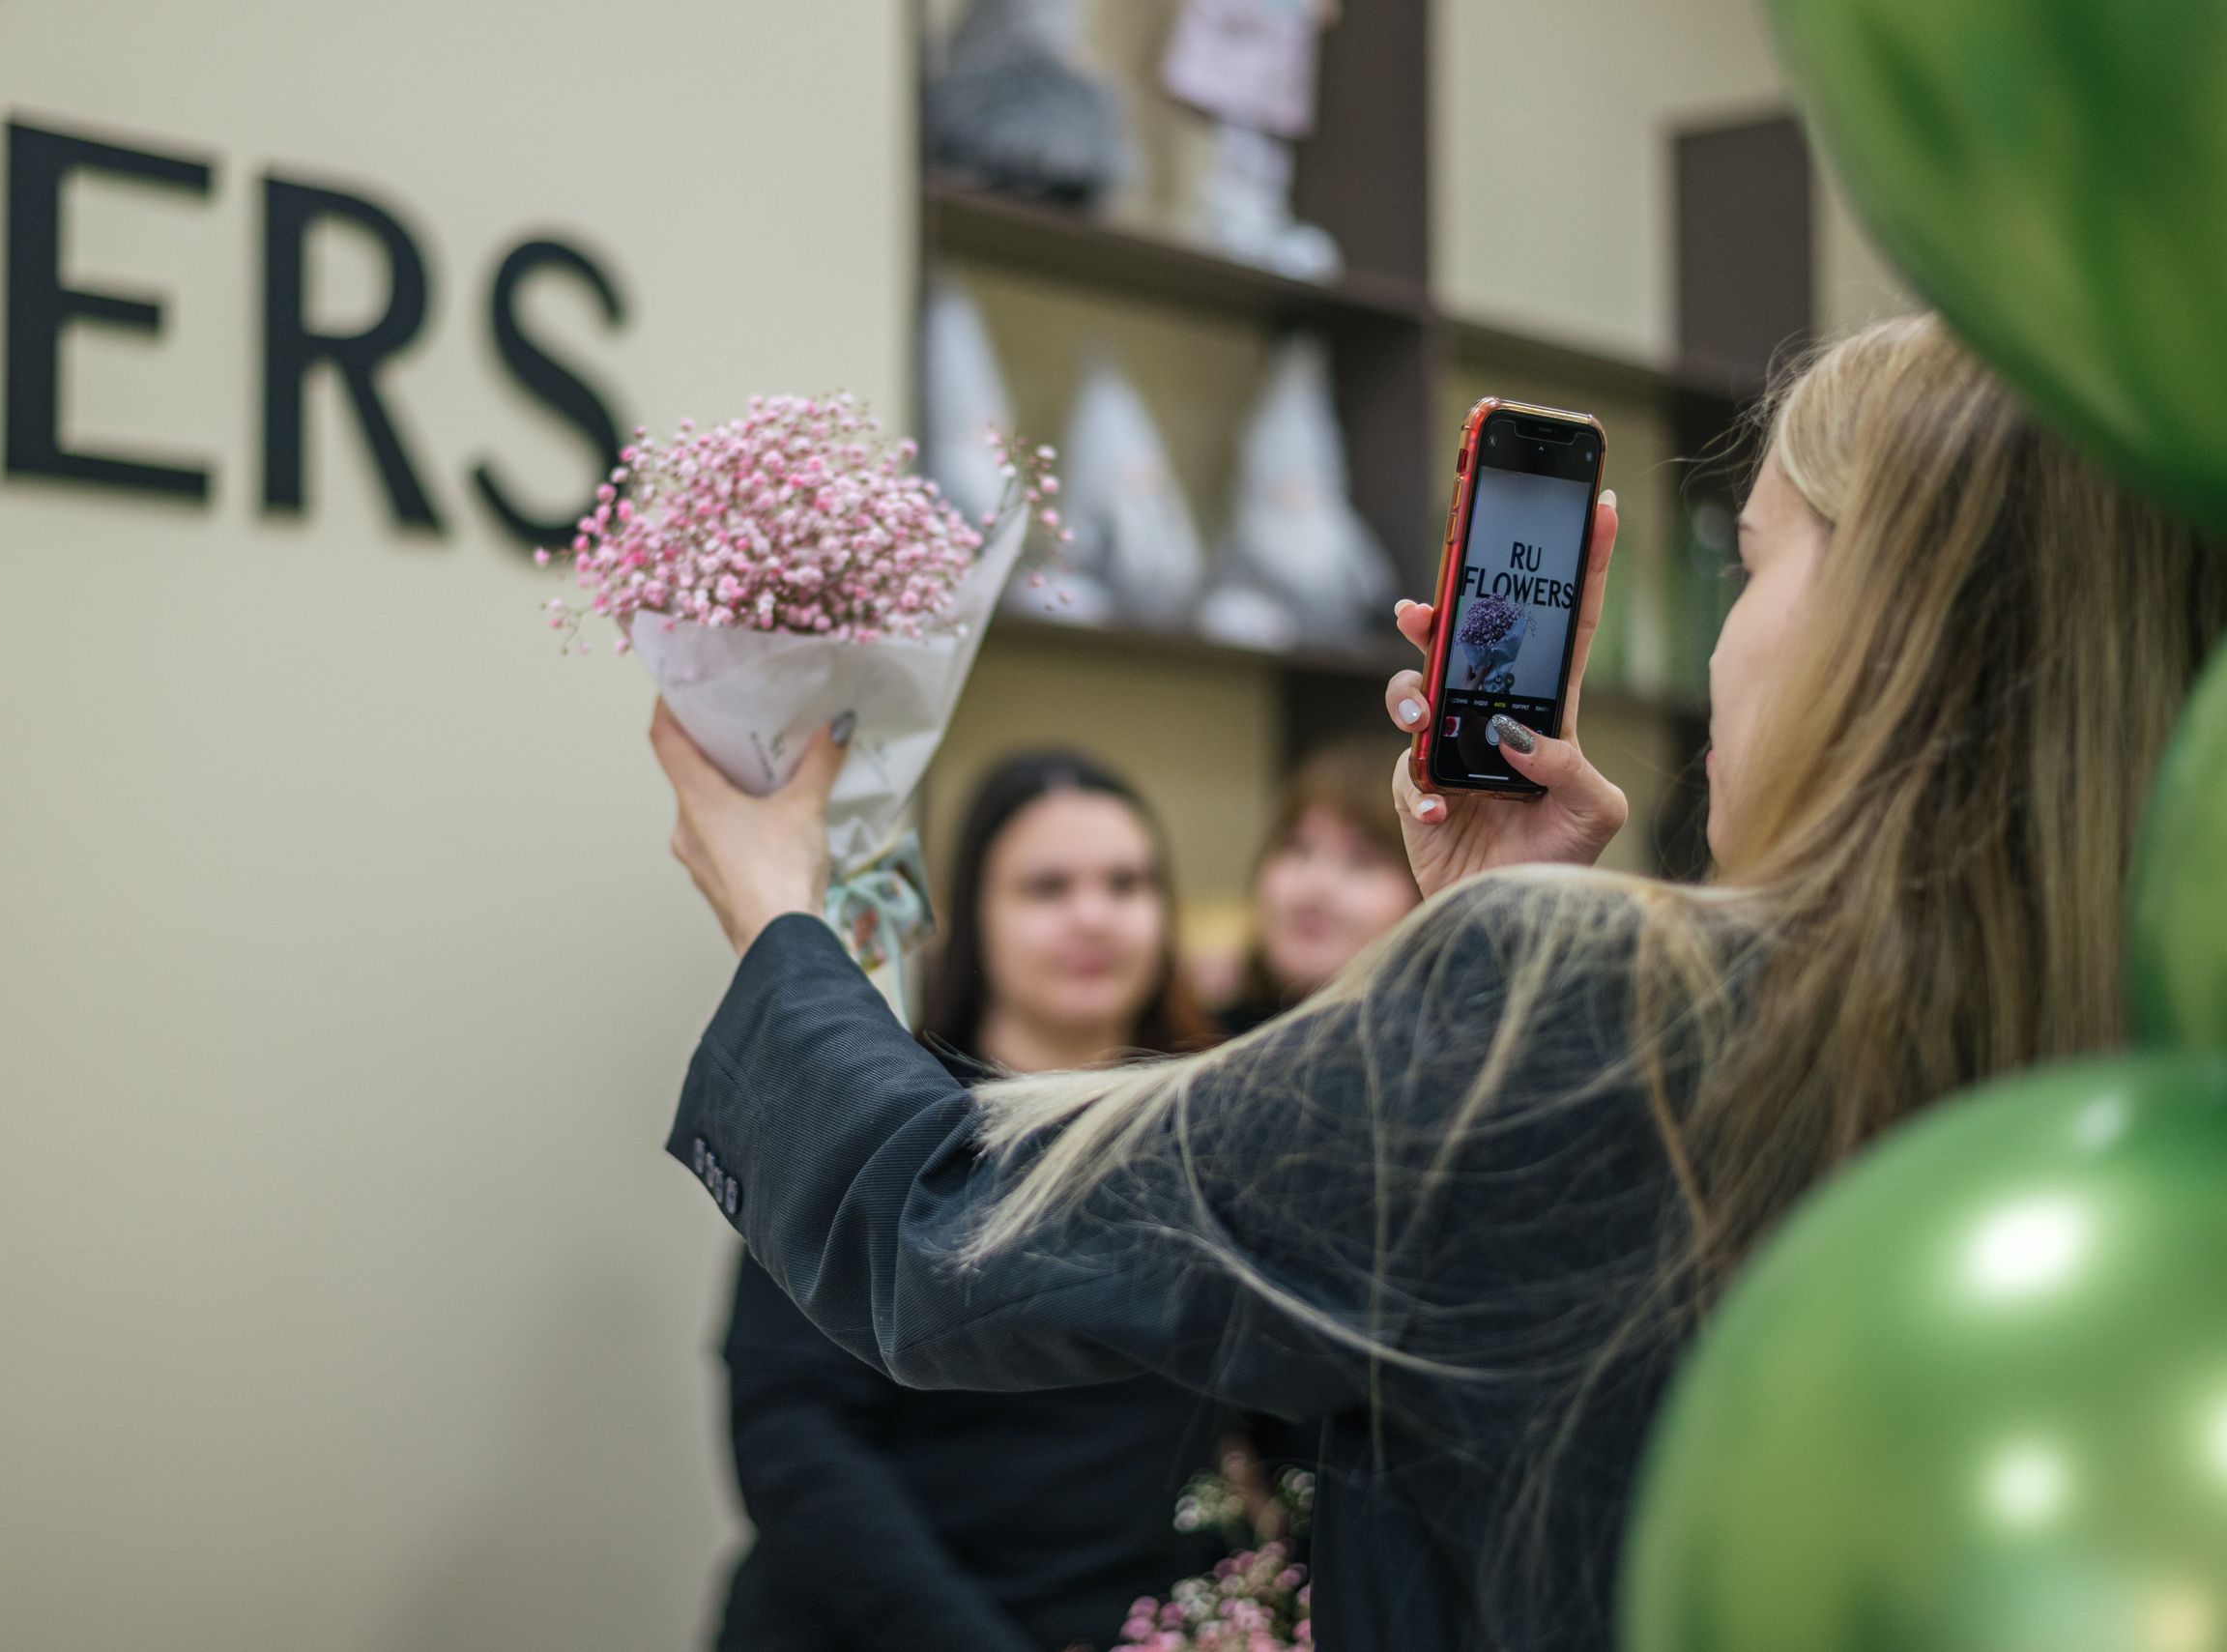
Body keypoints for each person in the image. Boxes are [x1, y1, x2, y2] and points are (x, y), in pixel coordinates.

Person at [648, 315, 2227, 1651]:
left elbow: (937, 1234)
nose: (1736, 638)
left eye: (1751, 564)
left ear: (1880, 623)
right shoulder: (2131, 1102)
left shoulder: (1575, 1022)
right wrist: (1520, 937)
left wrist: (775, 899)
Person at [715, 751, 1220, 1652]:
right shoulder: (878, 1125)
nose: (1094, 915)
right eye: (1046, 887)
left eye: (1127, 882)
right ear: (974, 917)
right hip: (878, 1625)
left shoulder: (1216, 1126)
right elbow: (797, 1437)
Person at [1218, 738, 1424, 1036]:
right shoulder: (1195, 1045)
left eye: (1363, 861)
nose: (1315, 886)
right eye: (1298, 848)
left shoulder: (1460, 1061)